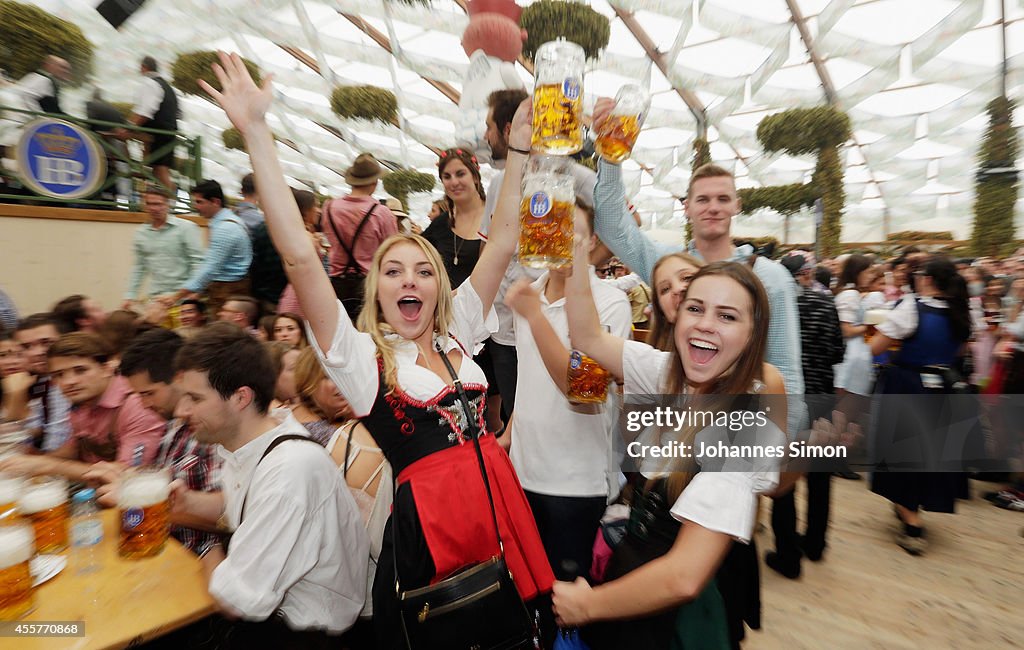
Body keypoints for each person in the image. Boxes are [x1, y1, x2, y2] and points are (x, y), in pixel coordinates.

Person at [197, 51, 552, 647]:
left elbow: (506, 235)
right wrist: (257, 132)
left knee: (506, 626)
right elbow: (299, 259)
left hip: (495, 501)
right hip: (432, 528)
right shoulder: (363, 360)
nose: (409, 280)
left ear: (440, 284)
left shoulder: (458, 327)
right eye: (394, 272)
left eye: (422, 270)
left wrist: (516, 154)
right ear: (376, 291)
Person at [550, 237, 788, 649]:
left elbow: (684, 576)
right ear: (676, 316)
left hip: (674, 623)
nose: (706, 324)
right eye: (695, 309)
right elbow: (587, 336)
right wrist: (574, 252)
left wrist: (588, 606)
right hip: (632, 590)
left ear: (753, 336)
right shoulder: (667, 374)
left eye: (727, 316)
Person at [590, 98, 804, 435]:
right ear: (687, 207)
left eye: (722, 199)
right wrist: (610, 152)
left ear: (737, 205)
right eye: (702, 200)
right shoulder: (671, 265)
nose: (713, 208)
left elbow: (786, 373)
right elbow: (613, 225)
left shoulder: (768, 276)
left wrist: (776, 450)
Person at [172, 324, 367, 645]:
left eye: (194, 398)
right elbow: (247, 501)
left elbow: (236, 601)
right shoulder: (259, 440)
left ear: (240, 398)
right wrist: (189, 506)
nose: (181, 411)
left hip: (308, 634)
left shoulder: (289, 470)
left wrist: (208, 551)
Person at [501, 202, 631, 586]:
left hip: (576, 484)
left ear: (591, 242)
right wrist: (508, 436)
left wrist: (536, 317)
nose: (559, 239)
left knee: (568, 602)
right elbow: (530, 379)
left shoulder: (608, 302)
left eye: (571, 232)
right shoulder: (531, 293)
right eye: (552, 228)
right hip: (523, 475)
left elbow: (582, 391)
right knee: (526, 593)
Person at [479, 88, 598, 422]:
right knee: (520, 413)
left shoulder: (578, 177)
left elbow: (586, 393)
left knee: (561, 410)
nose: (485, 134)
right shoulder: (499, 183)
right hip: (506, 326)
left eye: (489, 126)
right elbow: (491, 246)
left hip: (561, 321)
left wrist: (581, 266)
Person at [869, 255, 972, 555]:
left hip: (909, 385)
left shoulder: (912, 307)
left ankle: (912, 522)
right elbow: (961, 349)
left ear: (926, 278)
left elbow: (877, 346)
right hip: (943, 388)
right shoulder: (961, 309)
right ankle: (910, 508)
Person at [85, 328, 222, 555]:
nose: (144, 404)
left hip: (193, 563)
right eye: (138, 396)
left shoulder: (214, 430)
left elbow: (230, 516)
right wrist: (125, 478)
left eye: (149, 393)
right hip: (161, 548)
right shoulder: (173, 426)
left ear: (180, 379)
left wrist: (136, 499)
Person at [767, 253, 846, 579]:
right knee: (819, 474)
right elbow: (837, 352)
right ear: (804, 275)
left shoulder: (772, 307)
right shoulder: (825, 303)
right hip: (823, 396)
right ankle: (815, 542)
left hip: (786, 399)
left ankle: (787, 556)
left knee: (784, 476)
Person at [0, 332, 165, 479]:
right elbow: (71, 451)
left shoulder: (138, 406)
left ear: (107, 368)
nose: (69, 382)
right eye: (59, 375)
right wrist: (26, 460)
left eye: (80, 370)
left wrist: (48, 466)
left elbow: (128, 475)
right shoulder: (83, 402)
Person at [322, 154, 397, 319]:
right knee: (368, 334)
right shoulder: (381, 213)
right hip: (369, 284)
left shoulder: (329, 208)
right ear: (374, 182)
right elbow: (393, 252)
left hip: (337, 283)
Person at [162, 179, 253, 315]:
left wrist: (177, 296)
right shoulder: (227, 222)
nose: (196, 207)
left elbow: (210, 268)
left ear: (215, 202)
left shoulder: (225, 228)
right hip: (227, 288)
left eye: (200, 202)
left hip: (227, 291)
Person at [122, 185, 205, 309]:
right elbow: (139, 266)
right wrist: (130, 296)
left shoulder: (186, 228)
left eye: (158, 204)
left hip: (184, 298)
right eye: (150, 204)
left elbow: (197, 262)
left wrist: (194, 291)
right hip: (157, 298)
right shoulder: (141, 233)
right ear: (145, 206)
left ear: (168, 204)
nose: (154, 208)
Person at [2, 314, 71, 451]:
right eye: (26, 347)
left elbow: (54, 447)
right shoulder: (39, 382)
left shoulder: (69, 382)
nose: (37, 353)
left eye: (46, 343)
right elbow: (20, 438)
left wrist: (15, 395)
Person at [421, 147, 487, 288]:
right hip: (444, 306)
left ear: (475, 176)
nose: (454, 182)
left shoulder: (495, 218)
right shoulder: (440, 224)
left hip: (484, 307)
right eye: (447, 177)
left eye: (460, 174)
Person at [121, 56, 180, 194]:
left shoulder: (149, 83)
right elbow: (179, 114)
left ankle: (169, 201)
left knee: (159, 169)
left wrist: (127, 128)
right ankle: (166, 201)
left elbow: (144, 111)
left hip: (157, 134)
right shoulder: (168, 87)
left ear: (143, 67)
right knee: (160, 169)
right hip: (169, 132)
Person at [290, 346, 353, 447]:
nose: (343, 382)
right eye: (329, 376)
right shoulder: (317, 432)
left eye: (345, 374)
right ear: (308, 383)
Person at [646, 253, 704, 353]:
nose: (677, 289)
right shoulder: (654, 362)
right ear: (662, 311)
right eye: (665, 289)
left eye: (687, 278)